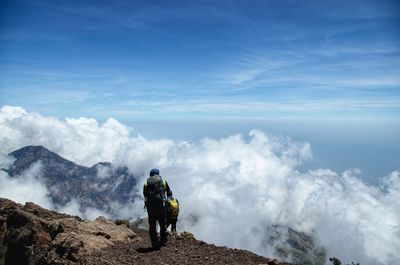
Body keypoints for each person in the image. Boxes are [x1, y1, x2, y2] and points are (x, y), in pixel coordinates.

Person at [143, 168, 172, 248]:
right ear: (158, 174)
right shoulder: (163, 181)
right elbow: (169, 193)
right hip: (161, 206)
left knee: (152, 225)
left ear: (150, 174)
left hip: (151, 208)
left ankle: (154, 241)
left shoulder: (146, 183)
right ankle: (163, 240)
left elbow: (145, 194)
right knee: (163, 224)